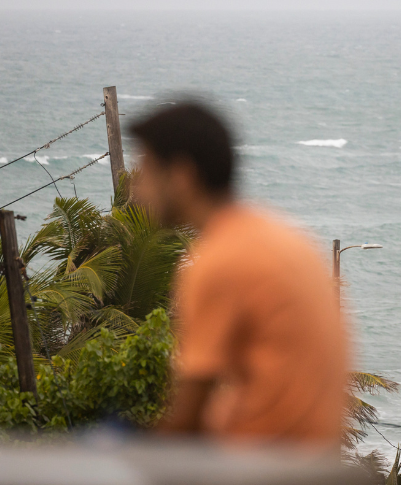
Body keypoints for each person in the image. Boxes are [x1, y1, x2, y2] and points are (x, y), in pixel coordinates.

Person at [129, 100, 349, 450]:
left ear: (182, 176)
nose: (136, 189)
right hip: (310, 457)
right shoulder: (280, 235)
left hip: (261, 464)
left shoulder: (218, 260)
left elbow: (188, 420)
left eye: (147, 172)